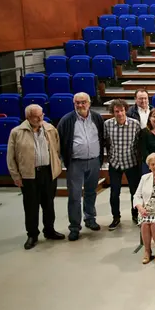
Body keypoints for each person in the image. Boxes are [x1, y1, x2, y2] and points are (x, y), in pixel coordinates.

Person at [7, 104, 64, 249]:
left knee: (49, 204)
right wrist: (16, 176)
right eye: (35, 116)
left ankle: (49, 230)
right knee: (31, 206)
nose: (39, 118)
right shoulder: (17, 132)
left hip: (48, 172)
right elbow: (11, 157)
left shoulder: (50, 129)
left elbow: (56, 149)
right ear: (28, 117)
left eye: (41, 115)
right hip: (29, 175)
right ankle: (32, 234)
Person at [57, 92, 104, 241]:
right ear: (74, 104)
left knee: (91, 192)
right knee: (75, 196)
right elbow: (61, 141)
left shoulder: (97, 118)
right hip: (76, 163)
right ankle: (74, 227)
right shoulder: (67, 120)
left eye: (83, 102)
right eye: (77, 102)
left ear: (89, 103)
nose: (80, 105)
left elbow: (102, 137)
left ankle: (90, 219)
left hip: (94, 161)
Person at [104, 99, 142, 230]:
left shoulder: (135, 124)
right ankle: (116, 217)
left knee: (134, 192)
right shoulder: (107, 124)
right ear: (113, 112)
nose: (119, 113)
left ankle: (135, 214)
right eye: (116, 111)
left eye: (121, 110)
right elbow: (106, 142)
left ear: (125, 110)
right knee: (114, 193)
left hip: (131, 162)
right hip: (115, 163)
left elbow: (138, 143)